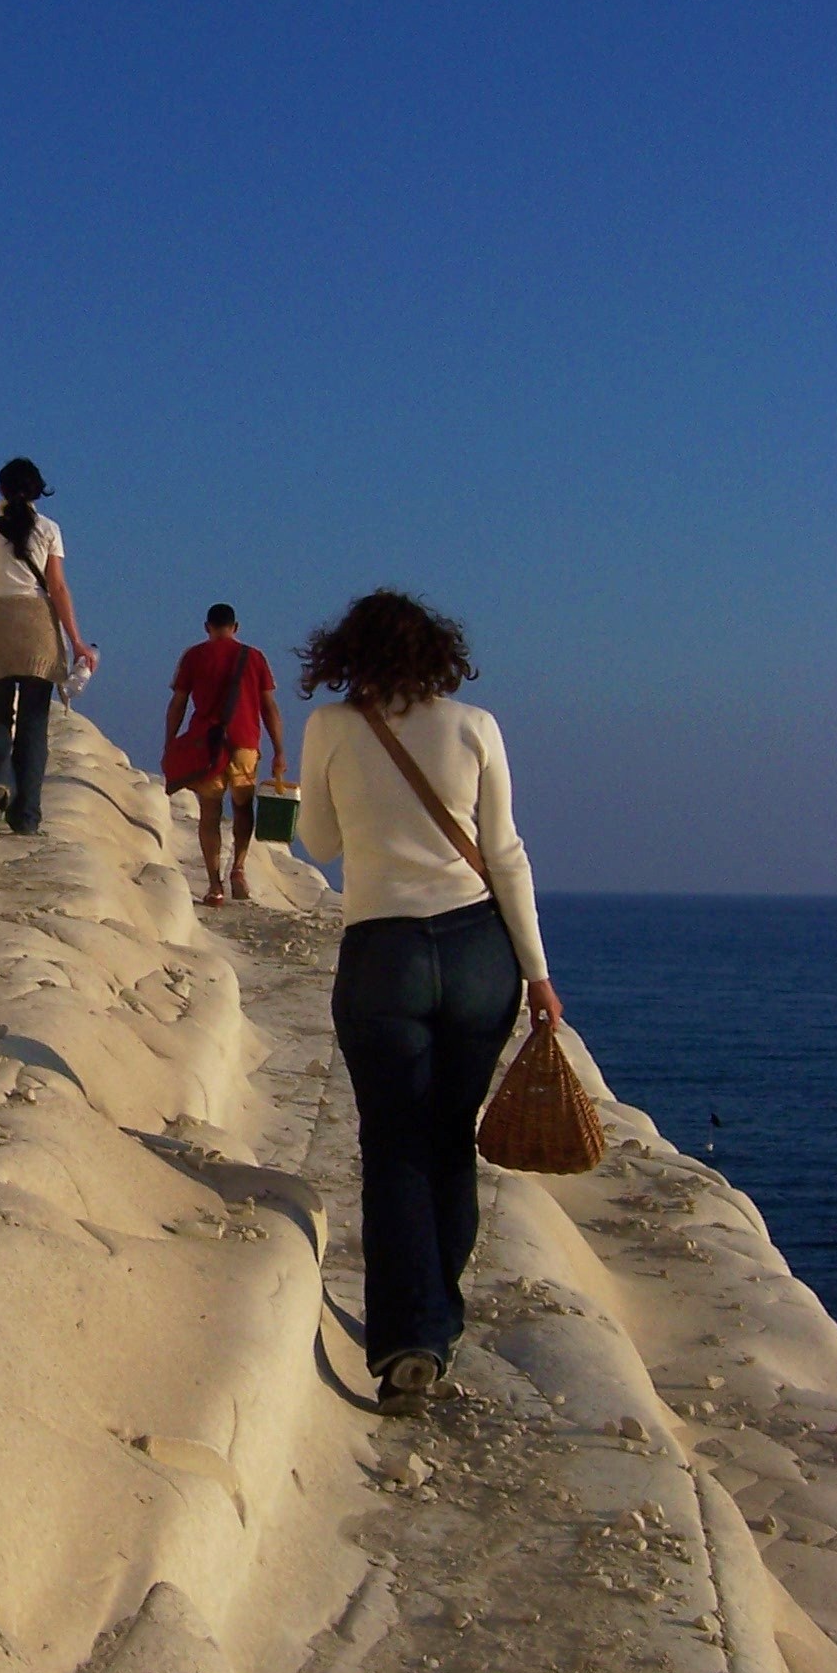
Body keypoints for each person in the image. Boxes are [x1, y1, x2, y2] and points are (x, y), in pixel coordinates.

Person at [295, 589, 563, 1408]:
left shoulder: (332, 729)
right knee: (449, 1137)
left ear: (349, 655)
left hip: (384, 952)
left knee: (392, 1143)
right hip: (481, 950)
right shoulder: (475, 728)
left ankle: (409, 1337)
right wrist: (541, 977)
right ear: (439, 654)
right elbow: (506, 855)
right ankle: (438, 1324)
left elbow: (320, 842)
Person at [0, 459, 97, 835]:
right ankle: (27, 818)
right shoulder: (49, 529)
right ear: (37, 491)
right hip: (37, 629)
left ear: (1, 490)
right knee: (34, 726)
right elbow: (58, 588)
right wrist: (77, 641)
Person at [164, 604, 286, 906]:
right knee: (243, 808)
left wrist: (170, 743)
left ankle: (214, 884)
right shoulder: (254, 657)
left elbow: (178, 703)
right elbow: (268, 706)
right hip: (244, 743)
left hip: (207, 746)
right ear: (236, 627)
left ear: (207, 627)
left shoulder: (193, 656)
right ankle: (239, 869)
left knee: (210, 814)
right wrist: (279, 749)